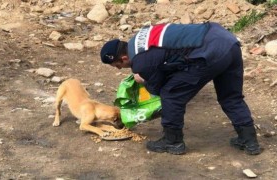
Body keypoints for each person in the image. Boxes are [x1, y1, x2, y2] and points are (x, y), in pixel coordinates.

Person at [99, 22, 261, 155]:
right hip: (227, 41)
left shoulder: (140, 61)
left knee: (171, 95)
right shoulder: (141, 37)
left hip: (208, 52)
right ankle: (249, 140)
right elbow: (172, 56)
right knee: (231, 96)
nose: (119, 69)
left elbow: (157, 89)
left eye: (117, 65)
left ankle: (173, 142)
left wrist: (142, 78)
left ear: (124, 57)